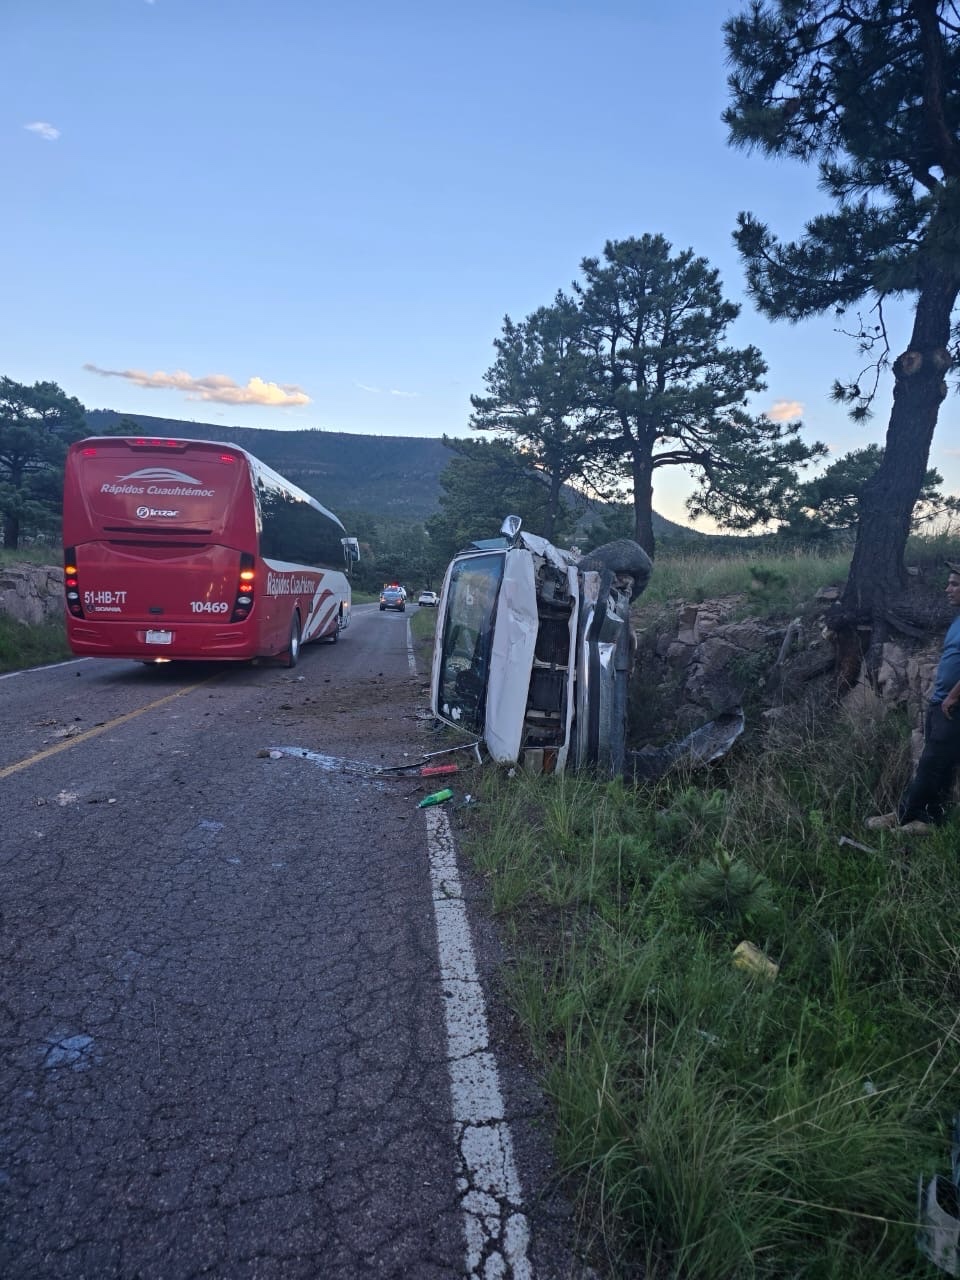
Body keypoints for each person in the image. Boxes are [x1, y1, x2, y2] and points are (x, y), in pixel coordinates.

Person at [867, 563, 960, 834]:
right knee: (938, 764)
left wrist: (952, 697)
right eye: (949, 583)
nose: (948, 589)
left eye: (955, 583)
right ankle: (924, 819)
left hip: (953, 705)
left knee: (931, 763)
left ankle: (905, 816)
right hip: (941, 700)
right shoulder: (957, 619)